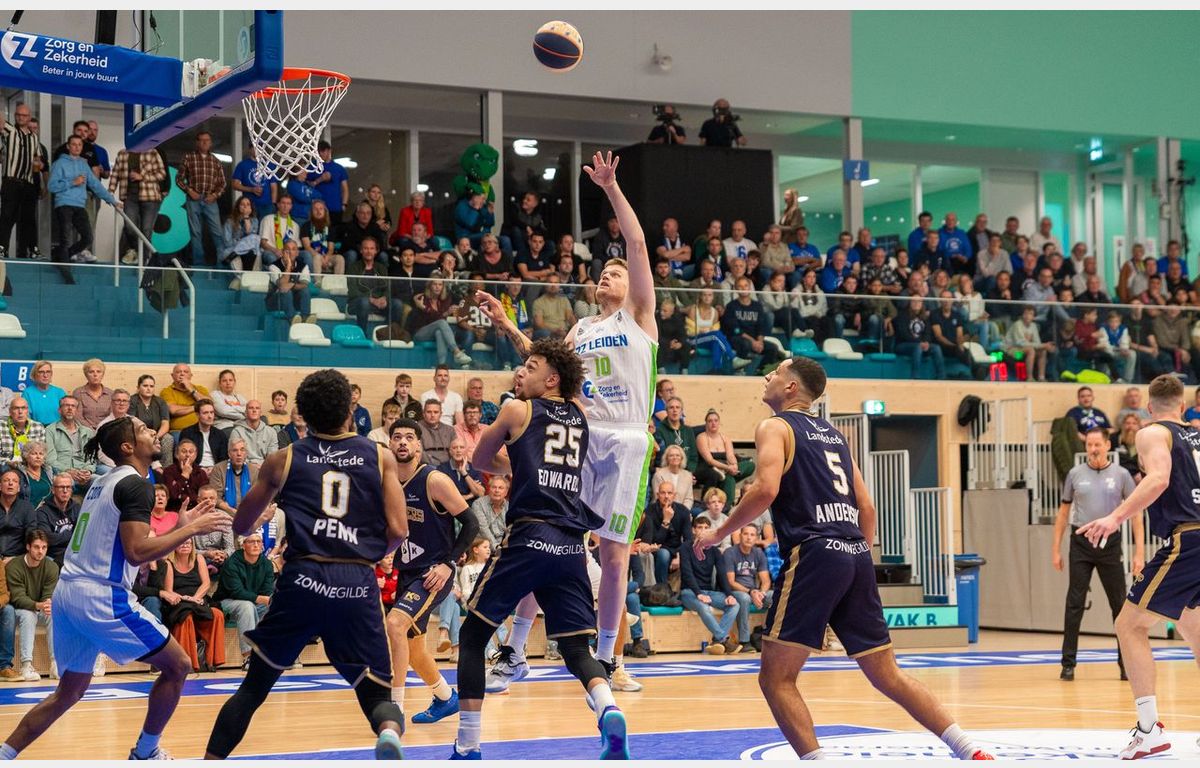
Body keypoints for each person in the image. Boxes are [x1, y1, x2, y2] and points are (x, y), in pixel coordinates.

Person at [693, 357, 993, 760]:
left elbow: (765, 489)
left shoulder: (774, 427)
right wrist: (857, 555)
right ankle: (967, 748)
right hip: (854, 551)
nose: (768, 376)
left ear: (791, 387)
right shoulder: (835, 435)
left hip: (815, 550)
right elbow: (867, 508)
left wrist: (717, 533)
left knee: (776, 678)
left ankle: (817, 762)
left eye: (776, 373)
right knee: (887, 673)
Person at [476, 151, 655, 694]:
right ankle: (515, 651)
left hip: (625, 439)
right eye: (602, 273)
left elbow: (637, 243)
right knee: (548, 541)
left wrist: (611, 188)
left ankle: (608, 659)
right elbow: (543, 365)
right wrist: (507, 324)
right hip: (579, 437)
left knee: (613, 553)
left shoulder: (639, 316)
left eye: (614, 272)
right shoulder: (581, 328)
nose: (607, 276)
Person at [203, 369, 408, 760]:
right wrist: (364, 552)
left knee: (253, 689)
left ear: (305, 416)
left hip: (303, 578)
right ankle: (388, 732)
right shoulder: (380, 456)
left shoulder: (283, 459)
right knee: (377, 694)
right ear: (350, 410)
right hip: (356, 580)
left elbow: (242, 525)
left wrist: (269, 510)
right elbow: (399, 530)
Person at [0, 417, 230, 760]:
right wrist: (191, 531)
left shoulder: (104, 482)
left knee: (68, 692)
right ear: (128, 446)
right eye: (143, 431)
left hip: (69, 593)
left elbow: (128, 545)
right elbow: (137, 552)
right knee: (178, 665)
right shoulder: (136, 485)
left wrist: (178, 527)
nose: (152, 433)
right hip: (100, 595)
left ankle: (4, 754)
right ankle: (145, 752)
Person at [456, 339, 628, 759]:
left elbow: (481, 458)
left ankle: (468, 744)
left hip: (530, 534)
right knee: (575, 648)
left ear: (551, 379)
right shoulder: (580, 414)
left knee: (472, 635)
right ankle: (607, 708)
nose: (521, 372)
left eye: (530, 367)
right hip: (571, 544)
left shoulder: (517, 410)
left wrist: (515, 464)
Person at [1078, 374, 1200, 759]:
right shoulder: (1197, 434)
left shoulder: (1151, 433)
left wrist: (1114, 517)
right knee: (1193, 625)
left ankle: (1149, 730)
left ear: (1149, 407)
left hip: (1189, 538)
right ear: (1183, 406)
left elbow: (1159, 479)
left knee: (1128, 625)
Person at [384, 419, 477, 725]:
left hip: (434, 573)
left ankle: (395, 708)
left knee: (394, 624)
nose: (402, 442)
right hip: (407, 572)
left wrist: (448, 563)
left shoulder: (434, 480)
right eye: (397, 437)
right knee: (413, 650)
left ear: (418, 445)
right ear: (389, 443)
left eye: (409, 437)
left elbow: (471, 523)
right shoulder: (388, 483)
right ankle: (445, 697)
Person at [1051, 428, 1142, 682]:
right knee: (1074, 602)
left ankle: (1125, 665)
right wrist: (1055, 550)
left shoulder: (1122, 475)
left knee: (1119, 604)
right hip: (1081, 542)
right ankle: (1068, 664)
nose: (1093, 449)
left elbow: (1136, 515)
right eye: (1089, 445)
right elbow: (1063, 513)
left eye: (1097, 445)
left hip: (1109, 544)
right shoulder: (1075, 474)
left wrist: (1139, 553)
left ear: (1107, 445)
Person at [679, 516, 741, 654]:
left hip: (708, 592)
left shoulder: (714, 551)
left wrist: (729, 594)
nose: (703, 530)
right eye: (700, 527)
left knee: (735, 605)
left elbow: (722, 575)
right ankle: (724, 640)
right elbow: (687, 573)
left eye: (706, 528)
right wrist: (698, 593)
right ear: (693, 530)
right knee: (703, 607)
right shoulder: (685, 547)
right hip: (689, 592)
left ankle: (717, 641)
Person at [7, 529, 58, 680]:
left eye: (44, 547)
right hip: (17, 611)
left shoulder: (51, 567)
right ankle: (26, 665)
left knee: (53, 612)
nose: (40, 551)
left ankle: (55, 664)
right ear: (28, 547)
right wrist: (38, 605)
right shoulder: (14, 566)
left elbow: (48, 594)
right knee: (28, 615)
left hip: (39, 609)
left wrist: (47, 603)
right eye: (36, 547)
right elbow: (17, 598)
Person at [176, 131, 226, 267]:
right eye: (202, 140)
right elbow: (179, 179)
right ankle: (199, 264)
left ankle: (221, 263)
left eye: (207, 140)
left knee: (217, 232)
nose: (204, 142)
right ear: (197, 142)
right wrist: (189, 191)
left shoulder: (216, 161)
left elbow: (223, 184)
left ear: (211, 143)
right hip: (193, 199)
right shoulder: (189, 157)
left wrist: (215, 195)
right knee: (196, 233)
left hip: (211, 200)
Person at [637, 482, 691, 585]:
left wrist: (679, 554)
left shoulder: (683, 511)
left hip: (676, 549)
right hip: (656, 548)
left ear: (674, 495)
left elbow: (688, 539)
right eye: (663, 493)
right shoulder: (650, 511)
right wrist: (666, 521)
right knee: (664, 554)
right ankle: (661, 588)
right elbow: (654, 541)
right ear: (657, 495)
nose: (666, 496)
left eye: (669, 493)